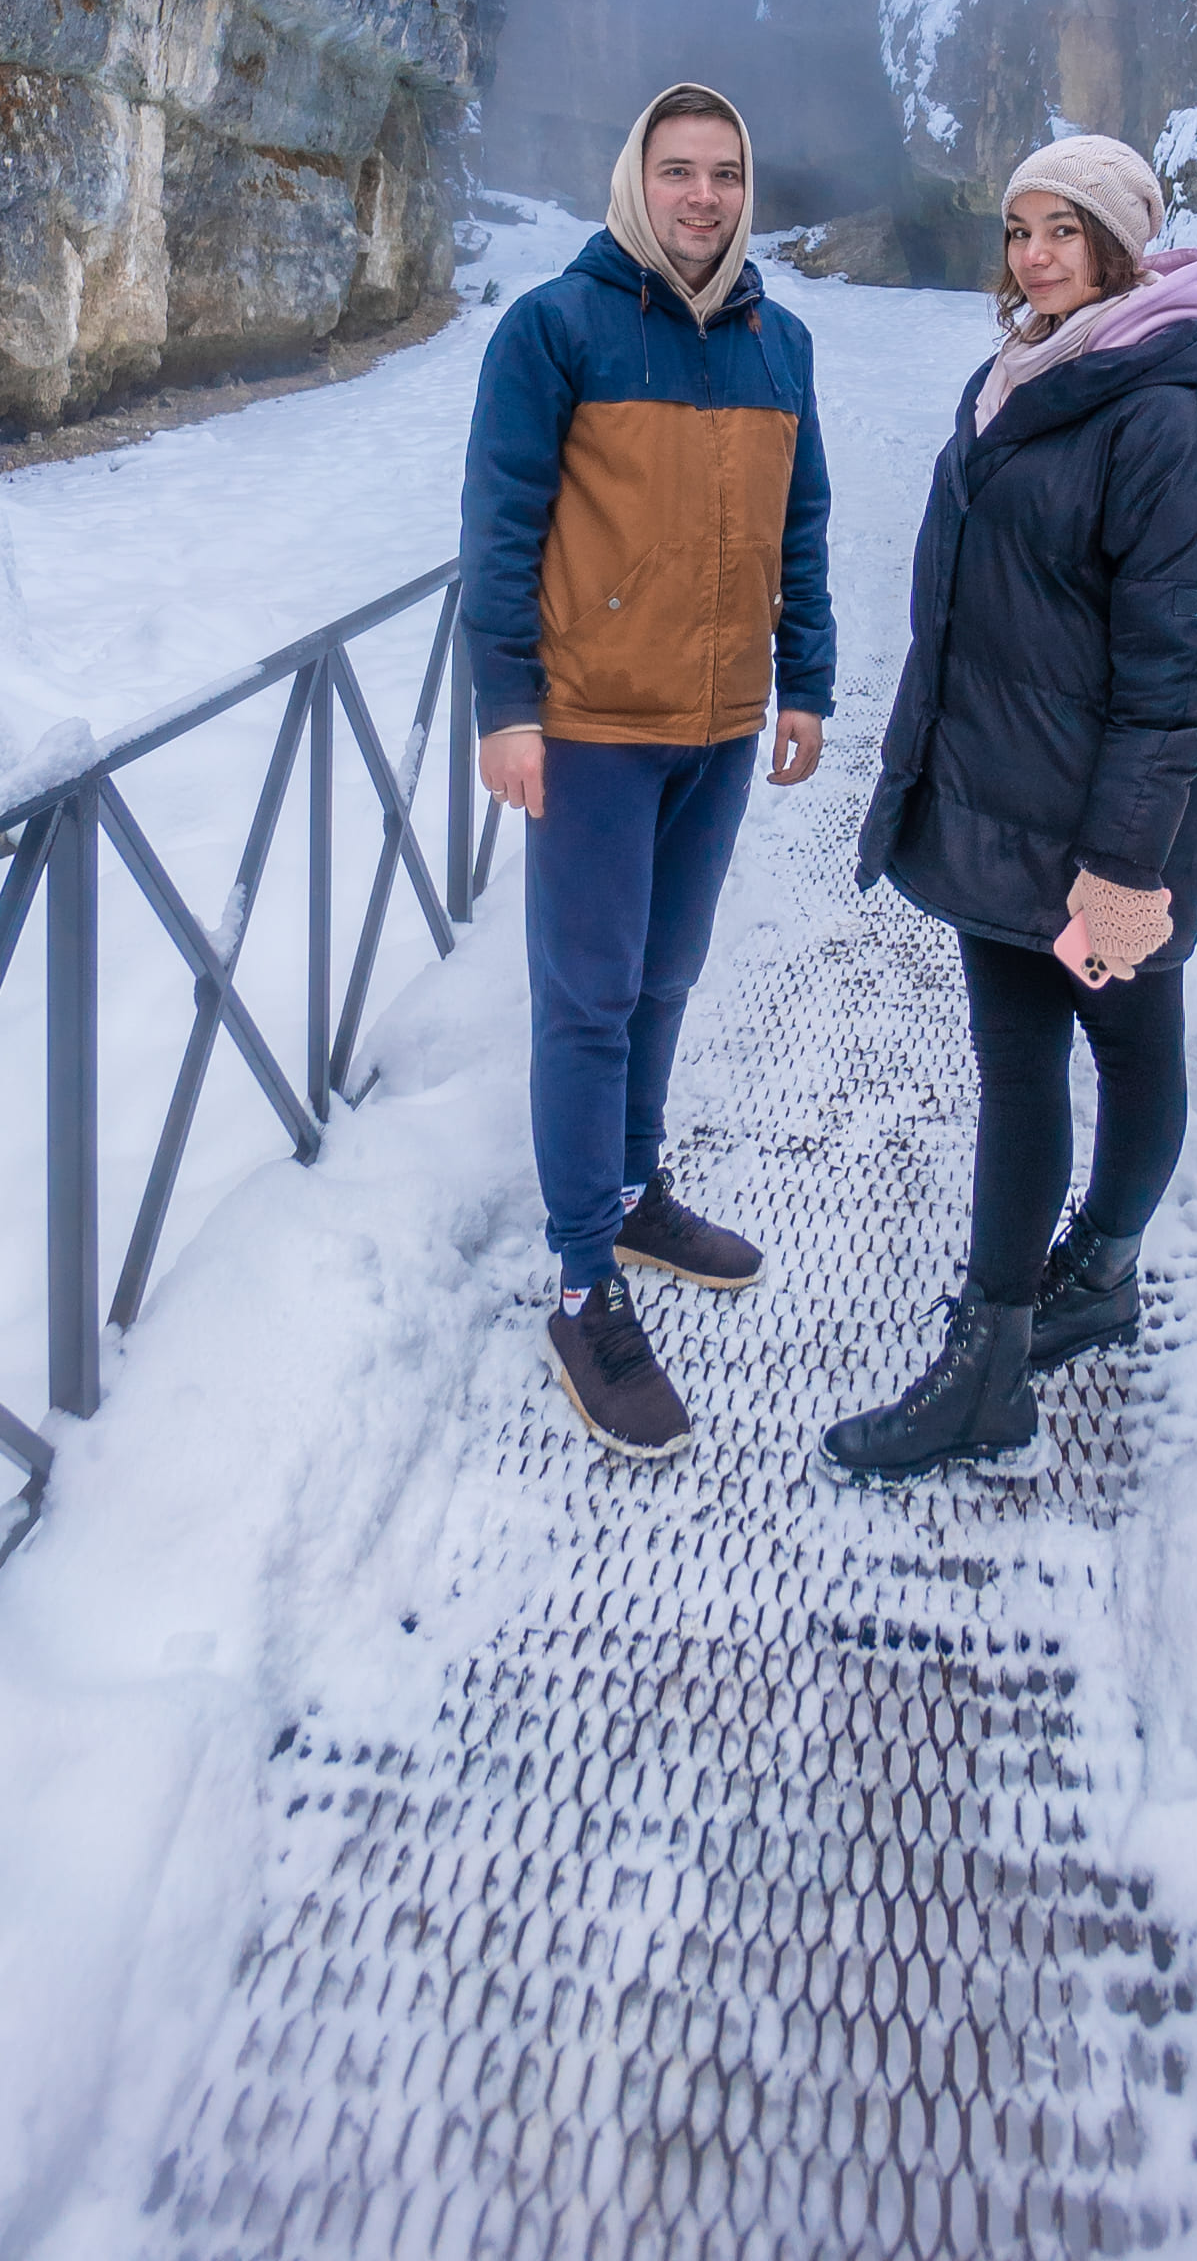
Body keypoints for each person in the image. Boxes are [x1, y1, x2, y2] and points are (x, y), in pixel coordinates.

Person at [824, 133, 1197, 1482]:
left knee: (1126, 1050)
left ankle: (1051, 1314)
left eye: (1064, 231)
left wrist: (1123, 868)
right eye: (1019, 231)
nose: (1034, 256)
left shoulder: (1172, 415)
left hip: (1102, 836)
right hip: (998, 809)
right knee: (1024, 1067)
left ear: (1125, 241)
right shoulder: (1024, 372)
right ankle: (1022, 1330)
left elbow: (1176, 672)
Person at [461, 83, 833, 1462]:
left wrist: (811, 682)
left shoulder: (779, 343)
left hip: (721, 728)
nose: (702, 198)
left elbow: (806, 527)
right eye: (677, 172)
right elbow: (498, 527)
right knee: (586, 998)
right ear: (635, 181)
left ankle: (630, 1189)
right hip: (593, 730)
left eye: (725, 174)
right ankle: (581, 1281)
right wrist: (507, 707)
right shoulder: (552, 329)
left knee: (665, 979)